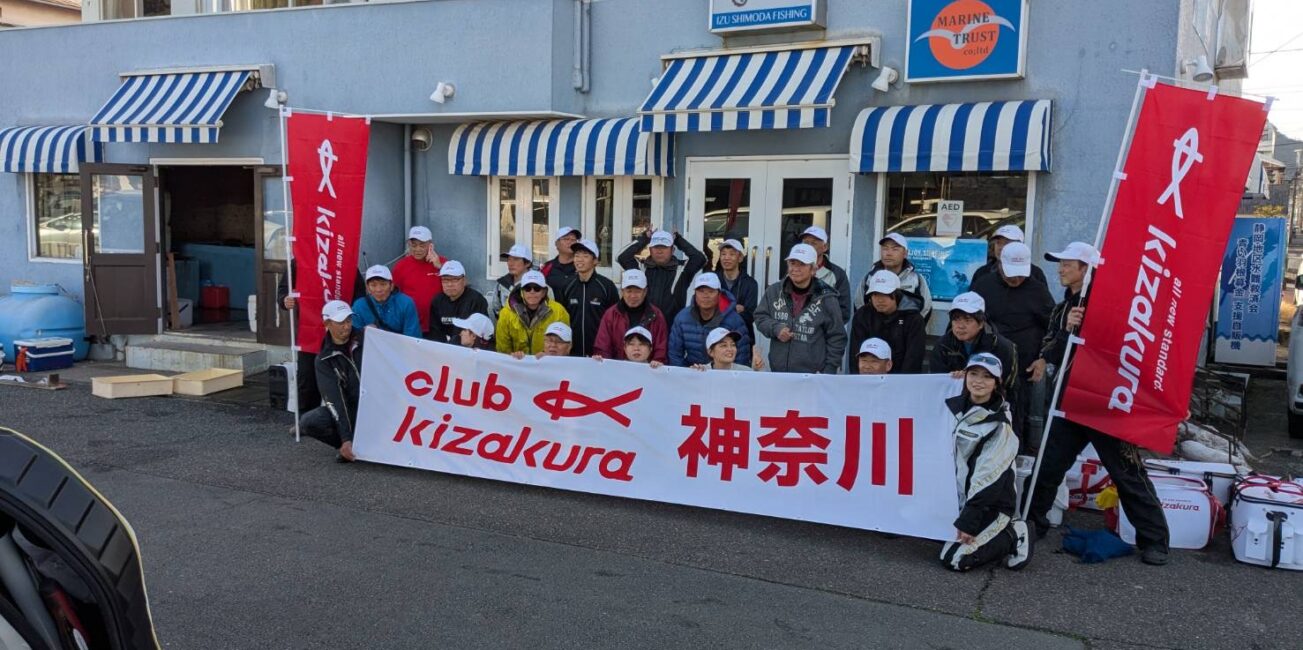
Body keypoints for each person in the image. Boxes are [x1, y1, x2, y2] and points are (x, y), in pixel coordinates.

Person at [1025, 241, 1171, 566]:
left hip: (1107, 403)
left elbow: (1130, 350)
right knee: (1047, 467)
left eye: (1068, 264)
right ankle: (1032, 524)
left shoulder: (1116, 305)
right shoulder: (1062, 309)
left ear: (1087, 270)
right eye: (1060, 263)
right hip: (1067, 402)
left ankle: (1155, 540)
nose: (1060, 269)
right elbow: (1050, 352)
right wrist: (1067, 330)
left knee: (1127, 473)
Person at [939, 353, 1034, 572]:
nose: (979, 381)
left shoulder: (1000, 425)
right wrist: (947, 381)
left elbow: (988, 479)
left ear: (996, 383)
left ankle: (1014, 533)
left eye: (987, 376)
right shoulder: (951, 405)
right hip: (957, 500)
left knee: (954, 560)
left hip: (990, 504)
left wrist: (969, 521)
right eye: (973, 374)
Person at [971, 242, 1055, 443]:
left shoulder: (1038, 290)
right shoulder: (983, 286)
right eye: (1011, 273)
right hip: (987, 363)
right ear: (1000, 265)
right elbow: (965, 321)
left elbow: (1052, 328)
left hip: (1023, 365)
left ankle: (1015, 451)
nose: (1016, 279)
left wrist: (1043, 358)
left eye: (1020, 274)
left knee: (1017, 413)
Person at [277, 264, 365, 412]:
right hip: (309, 331)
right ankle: (307, 419)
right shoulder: (300, 259)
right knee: (307, 380)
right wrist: (284, 300)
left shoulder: (343, 256)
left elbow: (360, 293)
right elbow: (283, 289)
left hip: (341, 333)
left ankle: (348, 418)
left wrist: (351, 320)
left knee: (345, 381)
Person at [753, 243, 846, 374]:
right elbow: (760, 317)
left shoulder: (827, 297)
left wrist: (828, 371)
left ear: (813, 269)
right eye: (792, 263)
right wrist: (776, 329)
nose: (795, 269)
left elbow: (837, 337)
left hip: (813, 376)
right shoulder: (774, 291)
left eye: (802, 264)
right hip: (778, 372)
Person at [298, 300, 364, 463]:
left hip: (379, 404)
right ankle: (350, 447)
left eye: (349, 320)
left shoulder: (366, 338)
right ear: (327, 323)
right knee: (309, 421)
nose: (346, 327)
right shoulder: (323, 360)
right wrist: (346, 438)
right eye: (341, 322)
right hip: (353, 408)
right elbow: (335, 400)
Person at [929, 292, 1018, 396]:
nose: (960, 326)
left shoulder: (1001, 347)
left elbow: (1007, 385)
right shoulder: (943, 345)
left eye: (968, 320)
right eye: (956, 319)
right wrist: (950, 378)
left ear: (981, 323)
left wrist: (970, 378)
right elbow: (937, 383)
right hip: (953, 399)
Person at [617, 228, 707, 323]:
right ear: (650, 250)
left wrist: (678, 240)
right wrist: (645, 238)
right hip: (644, 328)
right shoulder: (641, 269)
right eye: (656, 247)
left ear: (672, 250)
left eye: (664, 247)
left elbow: (700, 258)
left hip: (672, 329)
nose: (659, 251)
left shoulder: (682, 270)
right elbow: (622, 256)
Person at [848, 270, 926, 374]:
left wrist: (902, 382)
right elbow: (856, 353)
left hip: (900, 379)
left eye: (885, 294)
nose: (880, 300)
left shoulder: (914, 319)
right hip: (868, 378)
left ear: (896, 294)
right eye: (875, 294)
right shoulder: (863, 315)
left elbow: (913, 359)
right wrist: (857, 380)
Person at [668, 273, 751, 367]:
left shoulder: (735, 320)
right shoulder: (682, 317)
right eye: (701, 291)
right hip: (693, 371)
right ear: (695, 294)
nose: (705, 296)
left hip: (724, 372)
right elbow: (675, 354)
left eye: (711, 291)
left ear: (719, 294)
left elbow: (741, 357)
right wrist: (685, 374)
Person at [557, 238, 619, 357]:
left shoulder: (607, 286)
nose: (580, 259)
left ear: (595, 260)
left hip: (599, 354)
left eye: (585, 256)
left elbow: (615, 321)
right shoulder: (567, 285)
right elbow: (561, 319)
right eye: (577, 255)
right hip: (573, 353)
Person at [592, 269, 668, 363]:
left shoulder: (656, 315)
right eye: (629, 291)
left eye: (637, 291)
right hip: (617, 369)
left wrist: (657, 364)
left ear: (645, 291)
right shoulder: (610, 315)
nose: (633, 296)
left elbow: (661, 350)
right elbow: (602, 348)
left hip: (648, 370)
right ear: (622, 291)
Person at [854, 233, 933, 322]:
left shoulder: (916, 279)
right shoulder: (870, 278)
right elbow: (859, 304)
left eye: (895, 249)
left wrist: (913, 326)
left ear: (905, 253)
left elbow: (926, 308)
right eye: (885, 248)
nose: (888, 253)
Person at [495, 270, 570, 357]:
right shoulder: (506, 313)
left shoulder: (559, 312)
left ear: (544, 292)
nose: (532, 291)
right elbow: (502, 348)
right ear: (522, 291)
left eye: (537, 288)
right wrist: (512, 355)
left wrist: (547, 354)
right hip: (517, 363)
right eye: (527, 288)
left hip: (547, 363)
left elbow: (565, 344)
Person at [390, 225, 446, 336]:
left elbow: (461, 285)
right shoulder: (401, 266)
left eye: (422, 245)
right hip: (411, 325)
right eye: (414, 245)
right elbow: (392, 295)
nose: (417, 249)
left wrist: (440, 267)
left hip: (438, 325)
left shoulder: (443, 263)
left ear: (430, 245)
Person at [426, 260, 489, 344]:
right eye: (445, 280)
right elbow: (434, 333)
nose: (449, 284)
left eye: (454, 280)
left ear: (464, 281)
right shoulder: (437, 301)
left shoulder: (476, 301)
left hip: (469, 349)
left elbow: (483, 335)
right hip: (443, 348)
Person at [351, 265, 422, 338]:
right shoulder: (359, 306)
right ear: (368, 288)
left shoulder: (406, 303)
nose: (378, 289)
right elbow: (354, 336)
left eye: (383, 284)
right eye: (373, 285)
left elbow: (413, 336)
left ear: (391, 286)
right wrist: (363, 332)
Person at [799, 226, 852, 324]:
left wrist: (821, 327)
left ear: (825, 247)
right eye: (806, 243)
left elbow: (844, 312)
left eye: (813, 243)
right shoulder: (794, 271)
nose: (808, 247)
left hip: (825, 331)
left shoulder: (838, 274)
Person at [714, 238, 759, 347]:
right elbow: (706, 310)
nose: (726, 258)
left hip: (742, 338)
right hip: (716, 338)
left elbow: (749, 316)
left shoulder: (750, 283)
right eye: (723, 254)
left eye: (732, 254)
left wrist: (722, 307)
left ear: (740, 258)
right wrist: (735, 308)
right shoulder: (713, 279)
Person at [971, 224, 1048, 287]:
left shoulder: (1035, 274)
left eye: (1006, 243)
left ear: (1019, 245)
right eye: (998, 243)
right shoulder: (982, 272)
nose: (1000, 247)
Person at [491, 243, 533, 320]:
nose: (510, 263)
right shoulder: (501, 284)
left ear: (528, 263)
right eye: (509, 259)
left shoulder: (538, 285)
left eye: (516, 259)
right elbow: (496, 309)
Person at [542, 226, 580, 298]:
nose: (570, 242)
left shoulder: (582, 266)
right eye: (566, 239)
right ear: (557, 243)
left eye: (573, 240)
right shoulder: (547, 267)